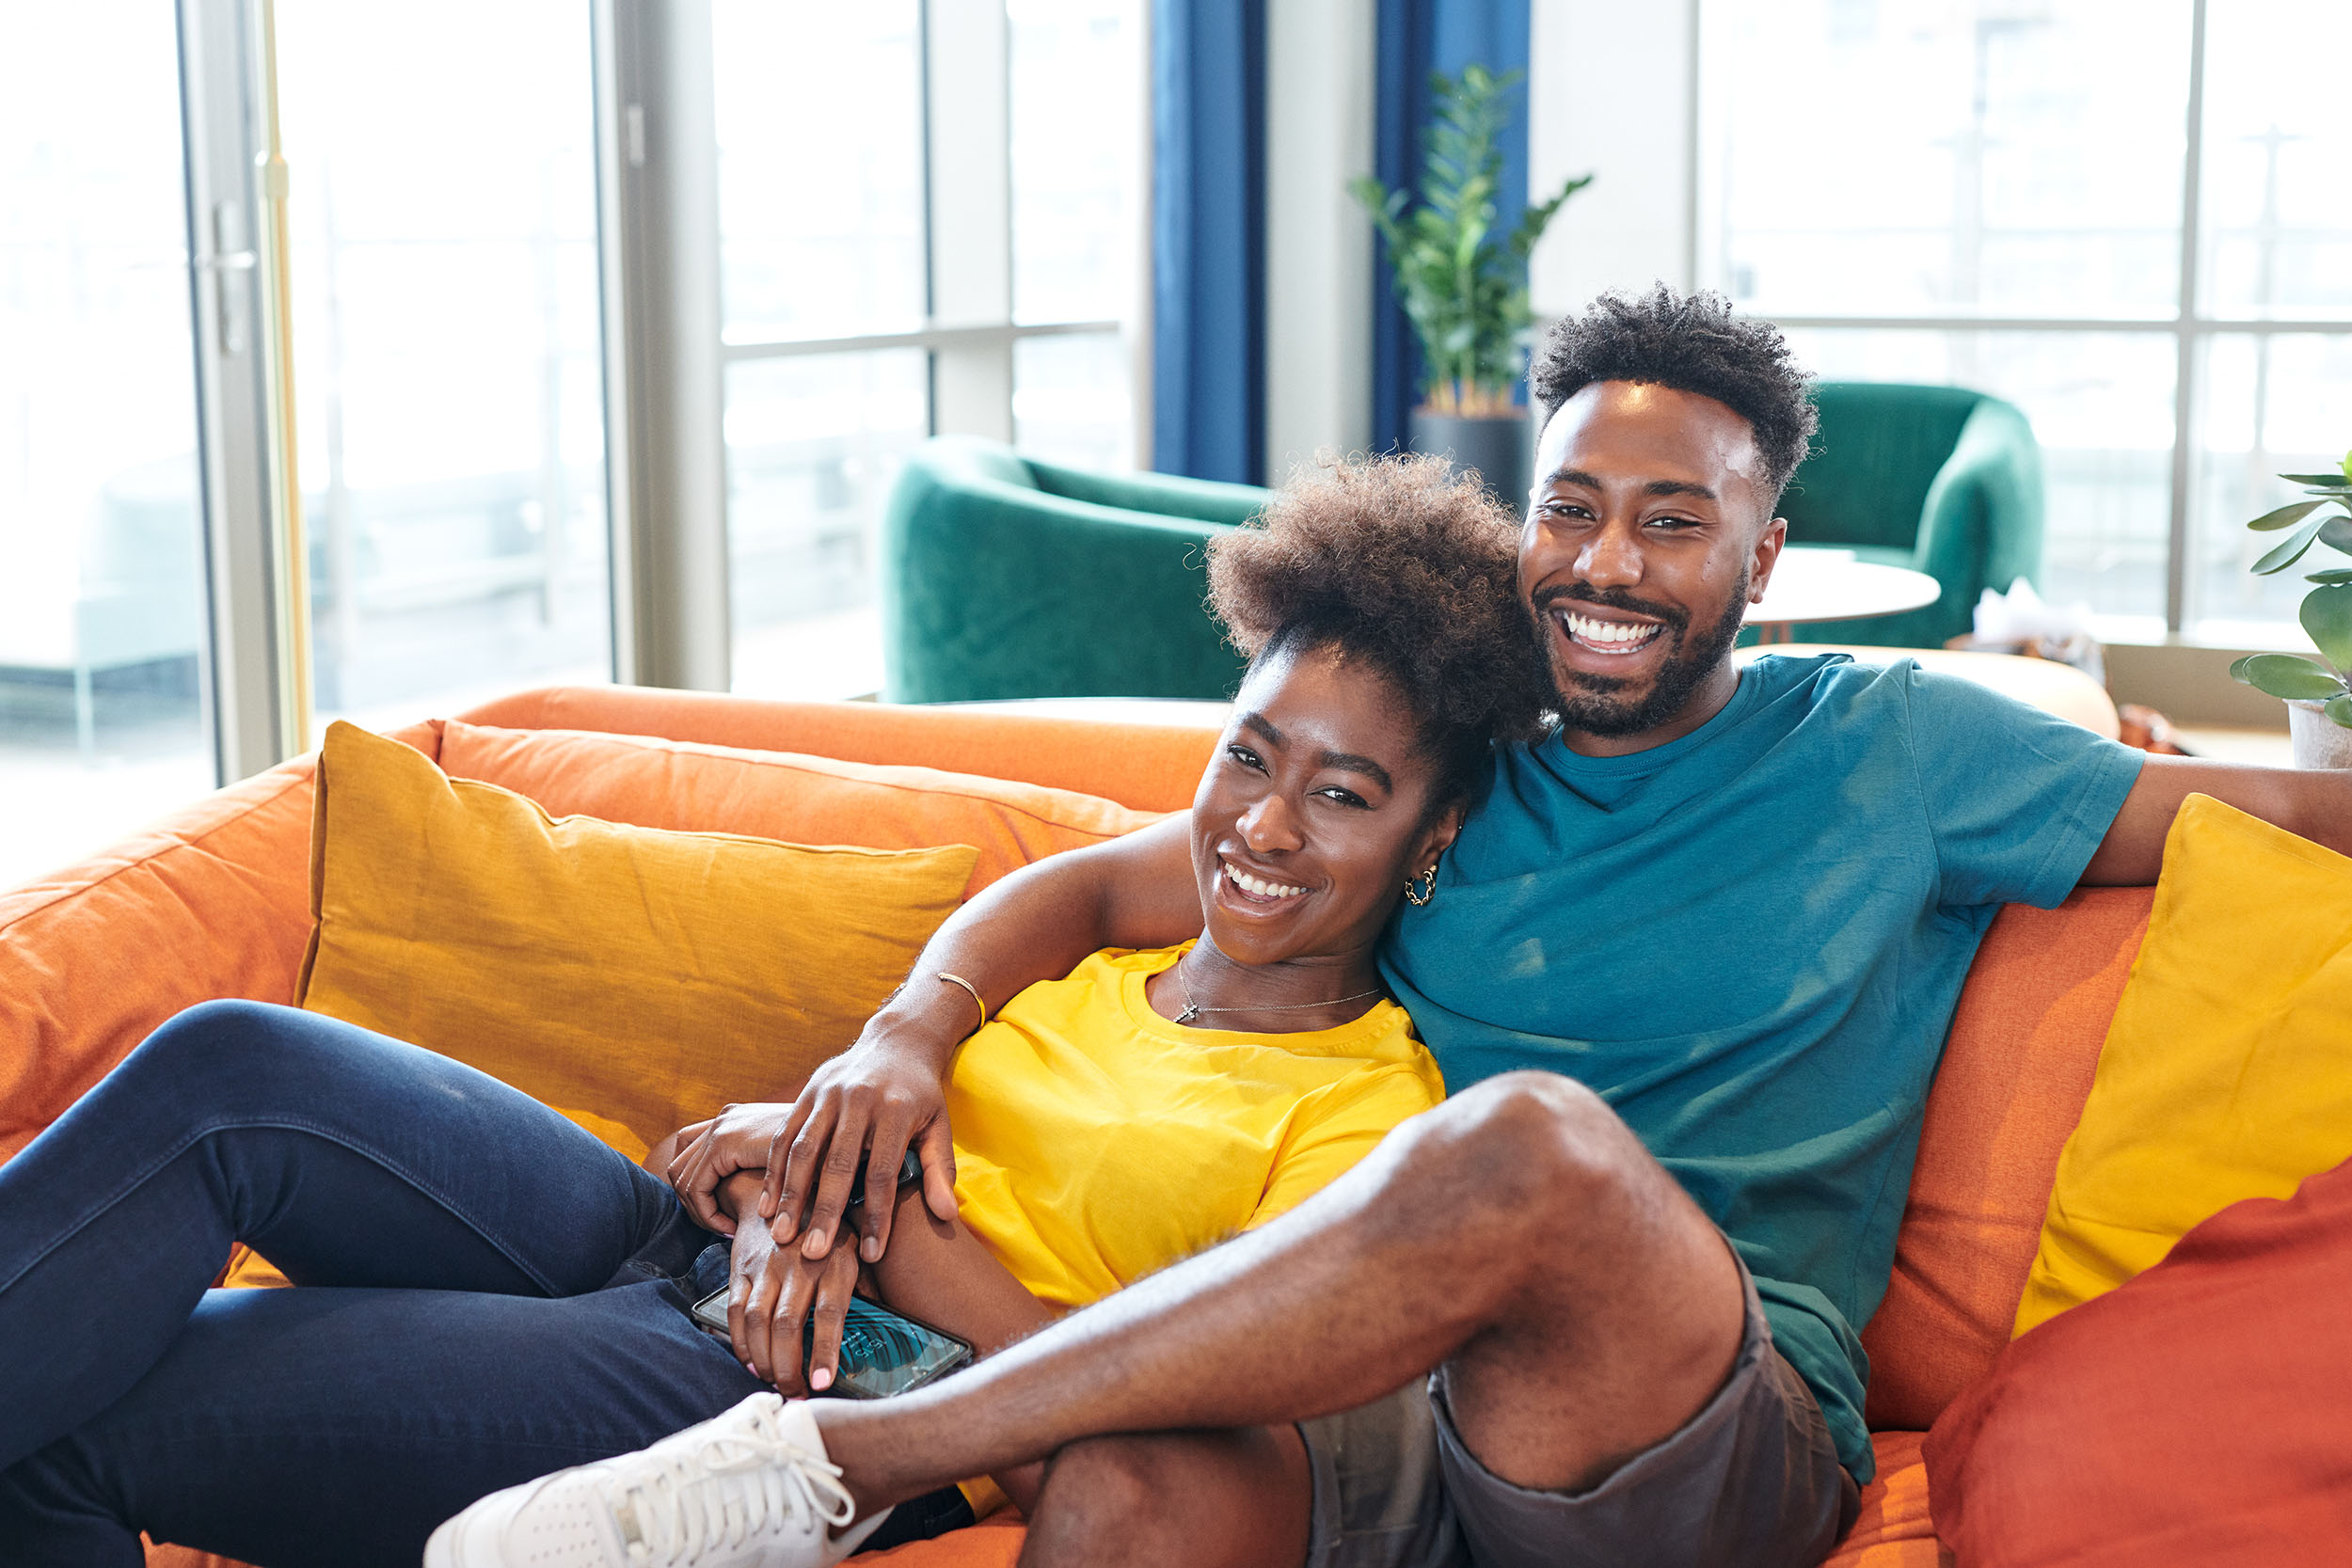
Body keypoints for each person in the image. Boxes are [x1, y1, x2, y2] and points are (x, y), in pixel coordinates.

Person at [439, 285, 2352, 1568]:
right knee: (1127, 1491)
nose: (1604, 564)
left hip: (1698, 1412)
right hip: (1385, 1395)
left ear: (1762, 558)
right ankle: (902, 1450)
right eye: (1572, 506)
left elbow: (2270, 806)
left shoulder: (1897, 745)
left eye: (1670, 521)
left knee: (1529, 1145)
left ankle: (830, 1466)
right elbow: (1109, 881)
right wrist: (902, 1035)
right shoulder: (1457, 756)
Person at [0, 460, 1551, 1568]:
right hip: (696, 1248)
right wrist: (826, 1124)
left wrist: (878, 1235)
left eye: (1341, 794)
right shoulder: (1119, 944)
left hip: (815, 1392)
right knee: (231, 1068)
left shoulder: (1369, 1113)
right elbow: (1052, 903)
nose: (1262, 827)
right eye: (1249, 756)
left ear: (1432, 837)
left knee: (82, 1416)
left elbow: (1188, 1404)